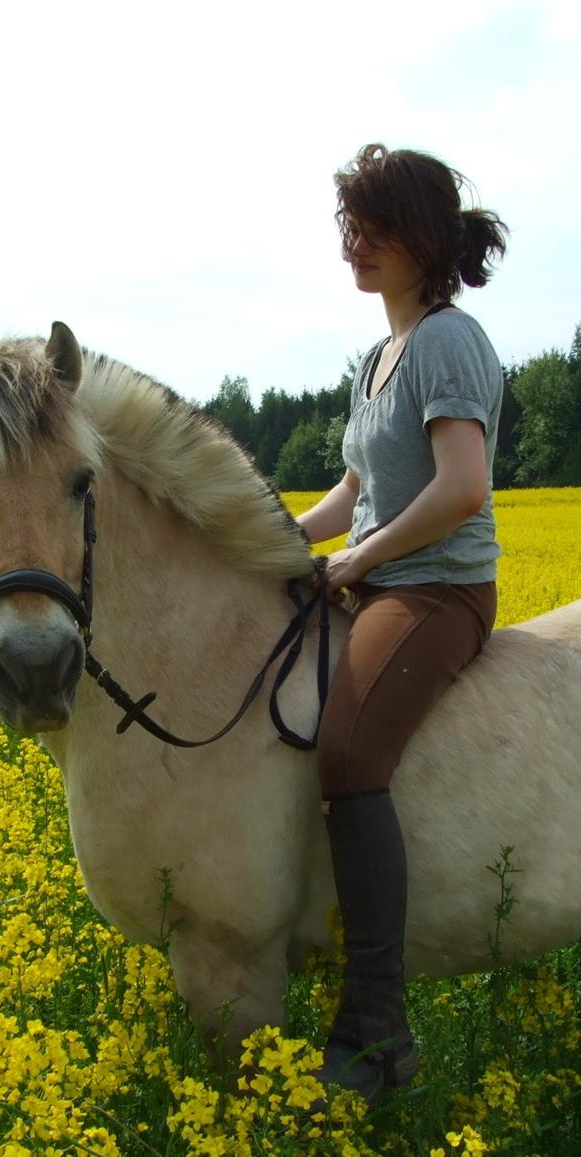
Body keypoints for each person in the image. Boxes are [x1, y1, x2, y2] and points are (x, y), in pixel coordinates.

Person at [295, 143, 508, 1102]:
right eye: (350, 228)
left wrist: (362, 560)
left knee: (344, 754)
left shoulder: (447, 340)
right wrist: (274, 541)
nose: (356, 246)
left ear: (424, 238)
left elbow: (462, 488)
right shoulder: (378, 356)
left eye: (375, 228)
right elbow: (356, 486)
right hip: (384, 580)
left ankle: (378, 1027)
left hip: (438, 590)